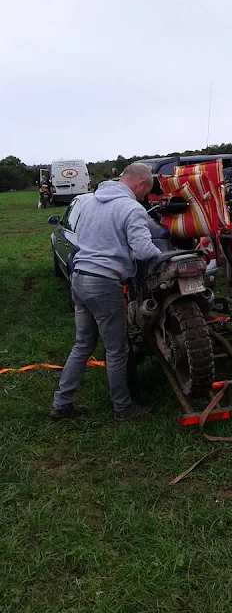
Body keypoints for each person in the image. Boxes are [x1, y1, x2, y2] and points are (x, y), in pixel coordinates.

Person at [50, 163, 162, 422]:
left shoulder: (90, 202)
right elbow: (144, 250)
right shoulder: (131, 208)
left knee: (82, 345)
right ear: (142, 184)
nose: (144, 198)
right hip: (103, 284)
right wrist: (164, 257)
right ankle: (123, 409)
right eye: (146, 193)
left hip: (79, 278)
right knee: (116, 350)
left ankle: (61, 403)